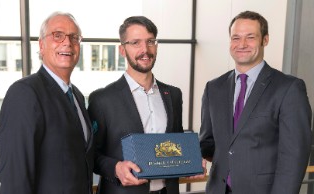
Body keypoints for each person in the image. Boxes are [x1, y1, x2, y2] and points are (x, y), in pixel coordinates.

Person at [199, 10, 312, 194]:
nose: (241, 44)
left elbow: (295, 155)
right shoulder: (214, 88)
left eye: (250, 37)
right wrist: (189, 156)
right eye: (236, 38)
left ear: (265, 40)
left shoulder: (289, 88)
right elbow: (208, 143)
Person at [0, 12, 94, 194]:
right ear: (41, 45)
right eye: (58, 36)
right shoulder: (24, 93)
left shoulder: (77, 97)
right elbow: (15, 179)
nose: (67, 42)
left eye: (74, 37)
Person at [88, 16, 183, 194]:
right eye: (135, 43)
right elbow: (90, 155)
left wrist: (192, 159)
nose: (145, 50)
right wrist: (116, 167)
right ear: (122, 50)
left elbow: (176, 144)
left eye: (150, 42)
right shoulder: (102, 100)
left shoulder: (173, 95)